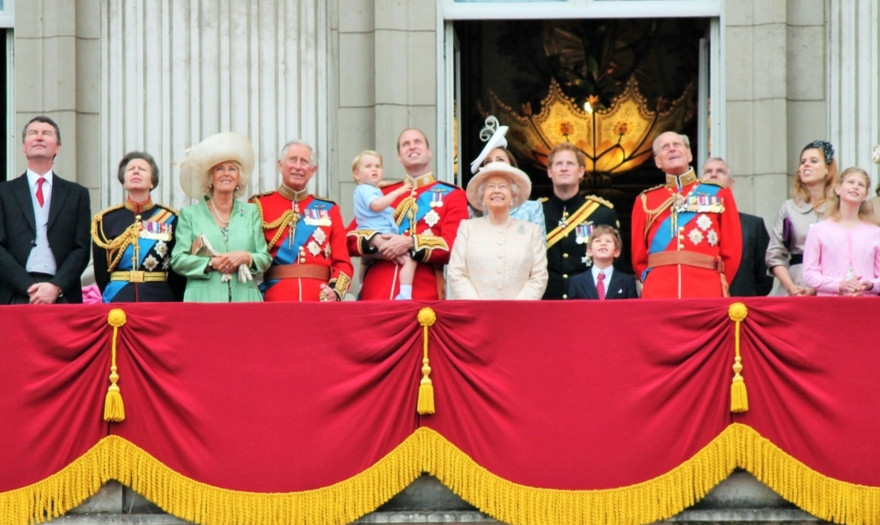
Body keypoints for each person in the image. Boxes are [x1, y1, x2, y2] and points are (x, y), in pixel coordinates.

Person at [347, 128, 469, 300]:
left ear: (429, 151)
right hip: (375, 292)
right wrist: (375, 240)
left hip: (422, 294)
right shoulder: (382, 194)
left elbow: (454, 247)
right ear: (399, 156)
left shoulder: (453, 195)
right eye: (406, 144)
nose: (412, 147)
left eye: (418, 142)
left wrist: (410, 243)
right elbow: (348, 239)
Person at [630, 132, 741, 298]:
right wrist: (651, 281)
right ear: (658, 162)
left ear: (689, 155)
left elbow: (732, 249)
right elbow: (639, 258)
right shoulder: (645, 200)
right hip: (658, 290)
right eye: (665, 147)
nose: (672, 149)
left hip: (706, 288)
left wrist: (720, 282)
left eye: (677, 144)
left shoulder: (719, 193)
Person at [171, 132, 272, 302]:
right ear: (210, 178)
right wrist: (211, 263)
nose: (226, 174)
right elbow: (178, 260)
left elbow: (264, 258)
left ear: (239, 177)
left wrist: (246, 257)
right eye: (219, 169)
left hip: (245, 299)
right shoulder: (190, 215)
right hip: (202, 300)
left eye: (232, 169)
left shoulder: (251, 212)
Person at [0, 115, 91, 304]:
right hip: (14, 294)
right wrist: (28, 287)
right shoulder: (4, 192)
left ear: (58, 147)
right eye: (33, 133)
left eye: (47, 133)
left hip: (62, 293)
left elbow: (81, 249)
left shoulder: (77, 194)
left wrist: (56, 286)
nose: (39, 137)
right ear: (24, 146)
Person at [251, 140, 353, 301]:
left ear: (313, 170)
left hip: (320, 298)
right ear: (280, 165)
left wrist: (335, 291)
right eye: (293, 160)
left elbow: (343, 262)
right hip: (276, 298)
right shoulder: (259, 205)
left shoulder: (330, 209)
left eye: (304, 162)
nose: (298, 167)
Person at [91, 152, 185, 302]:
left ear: (152, 182)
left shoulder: (171, 218)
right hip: (119, 297)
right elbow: (101, 272)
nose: (135, 171)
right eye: (131, 169)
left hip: (159, 298)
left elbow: (177, 271)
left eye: (142, 169)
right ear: (123, 182)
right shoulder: (106, 220)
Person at [447, 162, 547, 299]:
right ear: (482, 196)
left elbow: (539, 275)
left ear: (513, 196)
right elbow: (456, 272)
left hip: (520, 310)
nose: (497, 191)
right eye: (491, 186)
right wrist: (476, 305)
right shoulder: (467, 228)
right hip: (476, 309)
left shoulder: (531, 231)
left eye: (503, 186)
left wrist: (519, 306)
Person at [542, 142, 619, 299]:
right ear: (550, 172)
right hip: (547, 299)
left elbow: (616, 266)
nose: (564, 168)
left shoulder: (602, 213)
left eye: (570, 163)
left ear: (581, 171)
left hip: (588, 299)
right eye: (558, 164)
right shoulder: (537, 213)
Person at [765, 139, 837, 296]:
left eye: (814, 161)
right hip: (795, 285)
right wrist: (791, 287)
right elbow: (775, 254)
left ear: (827, 169)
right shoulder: (789, 208)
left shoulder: (839, 207)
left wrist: (817, 287)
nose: (806, 165)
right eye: (803, 162)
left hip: (831, 285)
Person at [802, 166, 880, 296]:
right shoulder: (818, 230)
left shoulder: (875, 233)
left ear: (865, 195)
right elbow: (809, 274)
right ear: (838, 189)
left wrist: (871, 285)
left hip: (865, 303)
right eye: (850, 182)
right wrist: (838, 285)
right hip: (829, 304)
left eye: (861, 185)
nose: (855, 187)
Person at [701, 158, 773, 296]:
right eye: (708, 171)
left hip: (742, 303)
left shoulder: (753, 225)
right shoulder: (689, 227)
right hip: (704, 301)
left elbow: (764, 279)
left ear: (731, 184)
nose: (713, 174)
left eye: (720, 171)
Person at [351, 150, 415, 299]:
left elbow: (378, 189)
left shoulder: (365, 189)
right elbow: (377, 205)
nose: (374, 169)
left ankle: (362, 288)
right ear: (357, 175)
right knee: (409, 260)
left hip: (368, 234)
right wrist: (398, 191)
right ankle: (405, 295)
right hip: (382, 235)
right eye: (368, 166)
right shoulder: (368, 190)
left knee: (365, 261)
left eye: (377, 166)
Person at [469, 116, 545, 230]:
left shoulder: (532, 209)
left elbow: (539, 241)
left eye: (500, 159)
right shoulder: (474, 212)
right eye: (488, 162)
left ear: (512, 166)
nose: (494, 164)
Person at [568, 225, 638, 299]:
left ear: (616, 252)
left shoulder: (627, 281)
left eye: (608, 241)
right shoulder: (576, 282)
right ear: (589, 251)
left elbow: (632, 305)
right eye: (598, 241)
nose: (603, 244)